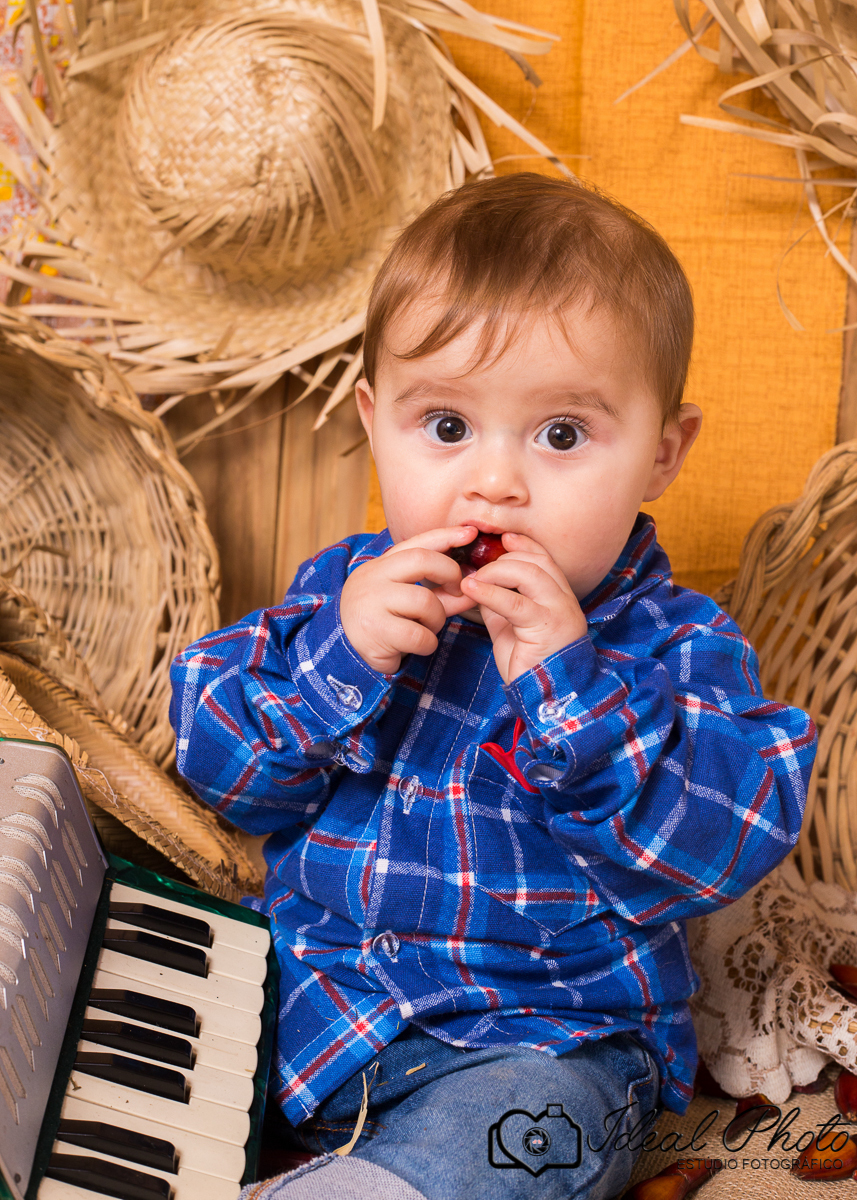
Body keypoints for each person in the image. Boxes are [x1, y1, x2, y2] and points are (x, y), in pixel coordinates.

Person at [169, 174, 816, 1200]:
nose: (493, 484)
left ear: (661, 452)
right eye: (444, 427)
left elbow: (724, 844)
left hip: (543, 1048)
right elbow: (226, 775)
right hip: (305, 1010)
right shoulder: (346, 595)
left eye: (561, 435)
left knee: (525, 1140)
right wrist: (339, 661)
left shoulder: (673, 644)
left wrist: (571, 689)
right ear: (374, 424)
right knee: (113, 1015)